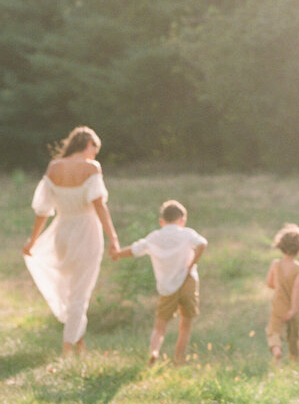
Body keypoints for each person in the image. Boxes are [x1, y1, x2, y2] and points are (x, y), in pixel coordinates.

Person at [23, 126, 120, 357]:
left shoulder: (54, 167)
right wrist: (113, 238)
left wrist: (33, 240)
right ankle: (67, 349)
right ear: (88, 145)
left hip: (62, 232)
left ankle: (79, 344)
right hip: (86, 231)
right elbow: (99, 206)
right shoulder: (91, 167)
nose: (94, 156)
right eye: (94, 151)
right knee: (80, 293)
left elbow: (43, 210)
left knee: (70, 290)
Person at [111, 199, 207, 366]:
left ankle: (154, 351)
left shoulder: (155, 237)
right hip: (188, 281)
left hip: (166, 287)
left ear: (161, 221)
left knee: (160, 325)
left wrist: (118, 254)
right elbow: (202, 244)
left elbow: (135, 250)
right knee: (185, 325)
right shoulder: (186, 233)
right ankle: (178, 359)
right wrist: (191, 264)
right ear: (182, 220)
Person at [265, 223, 299, 365]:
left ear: (280, 247)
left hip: (279, 304)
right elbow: (296, 289)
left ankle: (276, 350)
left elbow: (269, 283)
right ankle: (295, 362)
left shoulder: (275, 264)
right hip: (295, 307)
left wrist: (280, 286)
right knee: (293, 337)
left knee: (274, 330)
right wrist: (293, 309)